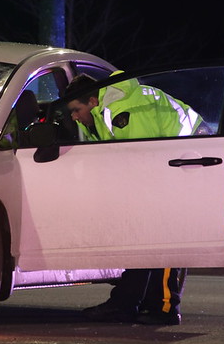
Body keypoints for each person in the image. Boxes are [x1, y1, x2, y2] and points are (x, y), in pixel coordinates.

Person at [65, 73, 201, 326]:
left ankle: (163, 307)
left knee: (161, 239)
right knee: (147, 238)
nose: (73, 116)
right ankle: (132, 304)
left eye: (76, 109)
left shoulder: (124, 113)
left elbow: (143, 160)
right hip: (177, 166)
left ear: (93, 101)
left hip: (188, 166)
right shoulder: (110, 110)